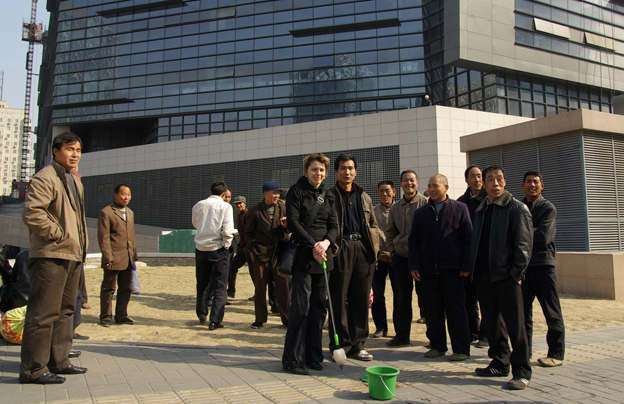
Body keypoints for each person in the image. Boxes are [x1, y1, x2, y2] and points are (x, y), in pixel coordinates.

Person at [20, 132, 88, 384]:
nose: (75, 154)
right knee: (43, 313)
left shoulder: (74, 180)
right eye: (70, 149)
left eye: (79, 150)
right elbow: (32, 212)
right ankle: (33, 370)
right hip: (51, 254)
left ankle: (59, 361)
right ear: (56, 150)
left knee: (66, 310)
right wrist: (58, 235)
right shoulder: (44, 177)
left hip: (72, 255)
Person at [470, 165, 533, 390]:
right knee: (492, 324)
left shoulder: (517, 208)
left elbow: (524, 245)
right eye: (490, 180)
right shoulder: (480, 209)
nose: (495, 184)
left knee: (516, 326)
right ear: (483, 184)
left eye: (499, 179)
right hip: (484, 276)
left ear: (505, 182)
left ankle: (522, 371)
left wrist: (516, 273)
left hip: (506, 277)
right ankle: (499, 362)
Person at [282, 153, 338, 375]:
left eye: (322, 170)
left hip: (324, 258)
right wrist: (313, 245)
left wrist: (325, 243)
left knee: (318, 309)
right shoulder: (296, 191)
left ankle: (314, 355)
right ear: (306, 171)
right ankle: (292, 359)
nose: (318, 173)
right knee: (301, 308)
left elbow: (334, 225)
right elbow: (293, 223)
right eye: (315, 169)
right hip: (304, 258)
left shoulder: (329, 194)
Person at [409, 174, 472, 361]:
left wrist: (466, 264)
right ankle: (437, 346)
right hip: (428, 270)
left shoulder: (460, 209)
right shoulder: (421, 213)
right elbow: (414, 241)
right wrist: (414, 264)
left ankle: (461, 349)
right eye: (429, 186)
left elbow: (467, 238)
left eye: (435, 185)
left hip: (452, 269)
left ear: (446, 187)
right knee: (432, 310)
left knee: (456, 310)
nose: (431, 189)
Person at [328, 154, 379, 361]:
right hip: (340, 249)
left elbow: (373, 224)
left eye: (350, 168)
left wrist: (373, 245)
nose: (347, 172)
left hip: (362, 250)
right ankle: (339, 346)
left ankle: (358, 345)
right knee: (338, 300)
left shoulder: (364, 196)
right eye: (342, 168)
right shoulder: (329, 195)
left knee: (360, 299)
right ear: (336, 172)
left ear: (355, 171)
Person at [521, 170, 565, 367]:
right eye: (529, 182)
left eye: (536, 182)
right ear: (523, 185)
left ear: (542, 186)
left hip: (543, 265)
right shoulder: (519, 207)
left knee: (551, 311)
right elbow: (512, 234)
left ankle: (556, 353)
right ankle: (524, 351)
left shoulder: (548, 208)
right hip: (523, 267)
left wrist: (523, 234)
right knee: (523, 314)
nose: (532, 185)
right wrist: (532, 231)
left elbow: (543, 238)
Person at [384, 170, 427, 347]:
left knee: (427, 297)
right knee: (401, 298)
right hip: (401, 257)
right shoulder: (395, 207)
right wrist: (393, 251)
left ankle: (434, 337)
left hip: (423, 259)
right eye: (405, 181)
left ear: (417, 182)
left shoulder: (426, 204)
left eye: (412, 180)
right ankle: (402, 335)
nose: (409, 183)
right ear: (400, 184)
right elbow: (390, 232)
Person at [245, 182, 290, 329]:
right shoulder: (254, 211)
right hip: (261, 253)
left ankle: (287, 319)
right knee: (260, 287)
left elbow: (289, 228)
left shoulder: (283, 207)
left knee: (282, 287)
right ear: (265, 194)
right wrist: (254, 248)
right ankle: (260, 318)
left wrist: (285, 226)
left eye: (277, 193)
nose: (276, 195)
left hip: (279, 253)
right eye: (273, 193)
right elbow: (248, 233)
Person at [192, 180, 235, 329]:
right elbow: (228, 230)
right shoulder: (226, 206)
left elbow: (195, 224)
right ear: (224, 194)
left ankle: (202, 314)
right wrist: (226, 244)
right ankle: (215, 319)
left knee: (202, 283)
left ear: (210, 193)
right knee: (220, 285)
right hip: (218, 248)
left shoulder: (198, 205)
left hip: (201, 248)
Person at [97, 184, 138, 327]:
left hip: (128, 257)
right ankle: (106, 316)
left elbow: (131, 235)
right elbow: (104, 237)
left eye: (128, 194)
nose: (126, 197)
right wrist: (107, 257)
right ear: (115, 195)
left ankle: (121, 314)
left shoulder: (130, 213)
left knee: (126, 287)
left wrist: (134, 255)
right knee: (109, 288)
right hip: (113, 257)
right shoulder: (106, 212)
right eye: (123, 194)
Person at [457, 165, 489, 348]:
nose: (477, 180)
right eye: (473, 176)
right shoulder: (461, 203)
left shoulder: (490, 200)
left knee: (486, 299)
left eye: (479, 176)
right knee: (468, 299)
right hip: (467, 258)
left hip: (485, 258)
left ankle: (486, 334)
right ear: (466, 180)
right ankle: (472, 332)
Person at [371, 180, 396, 338]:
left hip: (396, 257)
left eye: (388, 191)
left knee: (399, 294)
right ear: (377, 192)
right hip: (378, 258)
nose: (385, 194)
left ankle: (400, 329)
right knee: (378, 295)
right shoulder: (373, 212)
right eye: (382, 191)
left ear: (394, 192)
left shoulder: (399, 209)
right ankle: (380, 327)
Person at [228, 196, 250, 299]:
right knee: (232, 267)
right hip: (242, 247)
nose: (238, 205)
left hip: (249, 247)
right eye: (236, 204)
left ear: (245, 203)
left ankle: (258, 294)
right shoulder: (239, 216)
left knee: (254, 272)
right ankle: (231, 291)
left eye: (240, 203)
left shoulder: (249, 214)